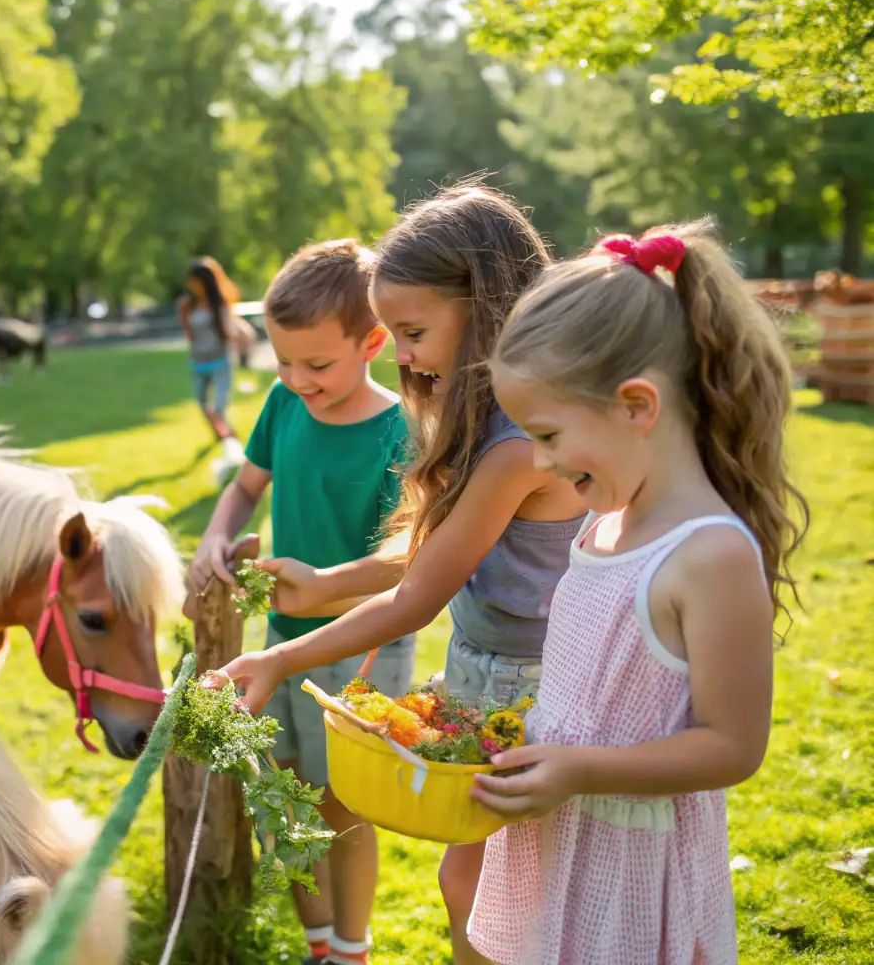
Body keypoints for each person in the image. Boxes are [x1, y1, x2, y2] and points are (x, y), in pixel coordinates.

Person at [209, 186, 586, 964]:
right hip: (486, 671)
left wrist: (280, 655)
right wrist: (325, 584)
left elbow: (418, 596)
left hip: (536, 684)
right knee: (473, 885)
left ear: (481, 307)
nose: (403, 354)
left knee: (500, 890)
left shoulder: (516, 442)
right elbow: (434, 546)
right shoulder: (475, 412)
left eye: (411, 333)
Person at [464, 223, 808, 964]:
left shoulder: (707, 555)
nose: (537, 461)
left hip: (633, 871)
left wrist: (582, 771)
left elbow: (732, 746)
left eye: (549, 434)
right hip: (561, 840)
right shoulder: (604, 525)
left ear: (636, 406)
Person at [188, 239, 412, 965]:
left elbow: (404, 564)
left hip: (360, 650)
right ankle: (318, 945)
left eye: (316, 365)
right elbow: (246, 487)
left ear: (373, 342)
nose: (295, 379)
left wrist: (325, 585)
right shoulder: (284, 404)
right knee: (282, 800)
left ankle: (351, 949)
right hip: (280, 637)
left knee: (341, 808)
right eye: (283, 362)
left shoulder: (397, 431)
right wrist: (215, 538)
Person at [178, 256, 255, 483]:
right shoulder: (188, 306)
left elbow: (237, 331)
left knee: (218, 409)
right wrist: (183, 316)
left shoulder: (220, 304)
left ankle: (238, 449)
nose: (192, 286)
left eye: (196, 281)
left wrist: (242, 348)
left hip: (220, 363)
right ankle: (225, 440)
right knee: (204, 407)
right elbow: (191, 338)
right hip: (198, 363)